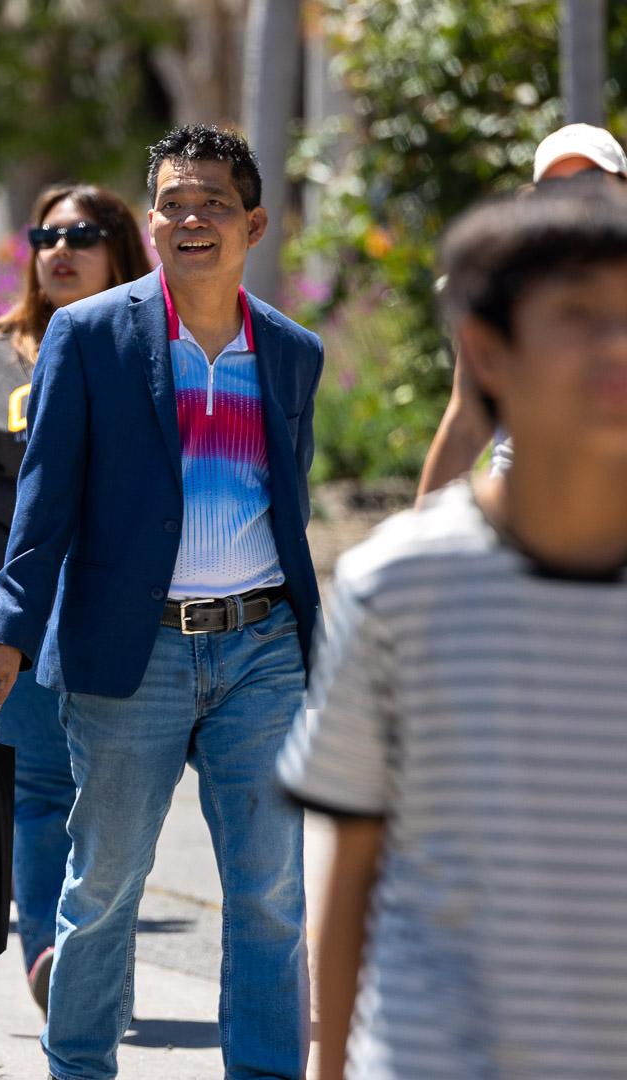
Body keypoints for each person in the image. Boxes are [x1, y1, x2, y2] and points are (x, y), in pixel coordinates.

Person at [0, 125, 323, 1080]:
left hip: (262, 649)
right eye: (172, 201)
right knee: (106, 887)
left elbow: (285, 504)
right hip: (136, 653)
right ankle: (78, 1066)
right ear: (154, 218)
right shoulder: (91, 337)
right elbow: (42, 508)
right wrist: (7, 633)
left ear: (253, 222)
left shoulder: (291, 353)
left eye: (213, 202)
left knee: (269, 896)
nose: (190, 218)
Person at [282, 183, 627, 1080]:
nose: (616, 344)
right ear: (486, 351)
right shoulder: (399, 582)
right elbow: (349, 865)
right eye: (579, 315)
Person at [0, 182, 153, 1016]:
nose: (60, 248)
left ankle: (91, 957)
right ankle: (55, 959)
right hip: (9, 614)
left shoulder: (159, 351)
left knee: (118, 795)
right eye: (45, 234)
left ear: (123, 250)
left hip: (131, 612)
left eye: (83, 233)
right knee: (43, 793)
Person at [414, 122, 627, 503]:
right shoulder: (504, 293)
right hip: (523, 512)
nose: (576, 199)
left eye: (592, 179)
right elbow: (465, 424)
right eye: (555, 188)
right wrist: (421, 541)